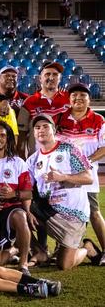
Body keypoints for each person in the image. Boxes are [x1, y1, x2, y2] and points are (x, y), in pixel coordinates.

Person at [26, 114, 91, 270]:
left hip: (73, 214)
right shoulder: (33, 160)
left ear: (53, 130)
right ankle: (39, 251)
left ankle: (87, 248)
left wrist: (63, 177)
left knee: (64, 265)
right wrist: (28, 211)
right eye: (37, 127)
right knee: (16, 213)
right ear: (34, 133)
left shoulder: (70, 149)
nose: (41, 130)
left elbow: (88, 178)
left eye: (45, 126)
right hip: (48, 211)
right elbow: (26, 188)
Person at [55, 83, 105, 265]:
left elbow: (104, 146)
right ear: (69, 99)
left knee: (93, 212)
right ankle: (64, 248)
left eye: (83, 95)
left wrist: (87, 161)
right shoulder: (59, 118)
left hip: (86, 175)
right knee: (65, 213)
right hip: (65, 176)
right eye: (74, 95)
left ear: (89, 99)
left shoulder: (98, 120)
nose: (78, 99)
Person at [0, 121, 33, 274]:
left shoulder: (18, 163)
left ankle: (23, 264)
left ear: (8, 139)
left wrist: (13, 194)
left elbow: (28, 193)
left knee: (20, 216)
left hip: (10, 211)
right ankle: (14, 250)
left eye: (3, 135)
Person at [17, 61, 69, 158]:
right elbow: (21, 135)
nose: (51, 78)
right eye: (47, 74)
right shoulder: (29, 102)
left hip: (65, 157)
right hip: (38, 158)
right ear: (40, 78)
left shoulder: (70, 99)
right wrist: (22, 158)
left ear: (60, 78)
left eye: (55, 74)